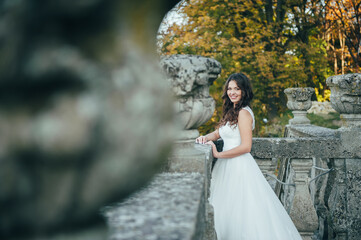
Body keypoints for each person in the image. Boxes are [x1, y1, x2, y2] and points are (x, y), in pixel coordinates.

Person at [196, 73, 302, 240]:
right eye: (230, 89)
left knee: (242, 213)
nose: (232, 92)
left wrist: (218, 153)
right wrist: (204, 138)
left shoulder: (244, 113)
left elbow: (246, 146)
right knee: (224, 211)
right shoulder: (232, 110)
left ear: (244, 91)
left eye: (236, 89)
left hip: (238, 167)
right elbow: (218, 133)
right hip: (225, 167)